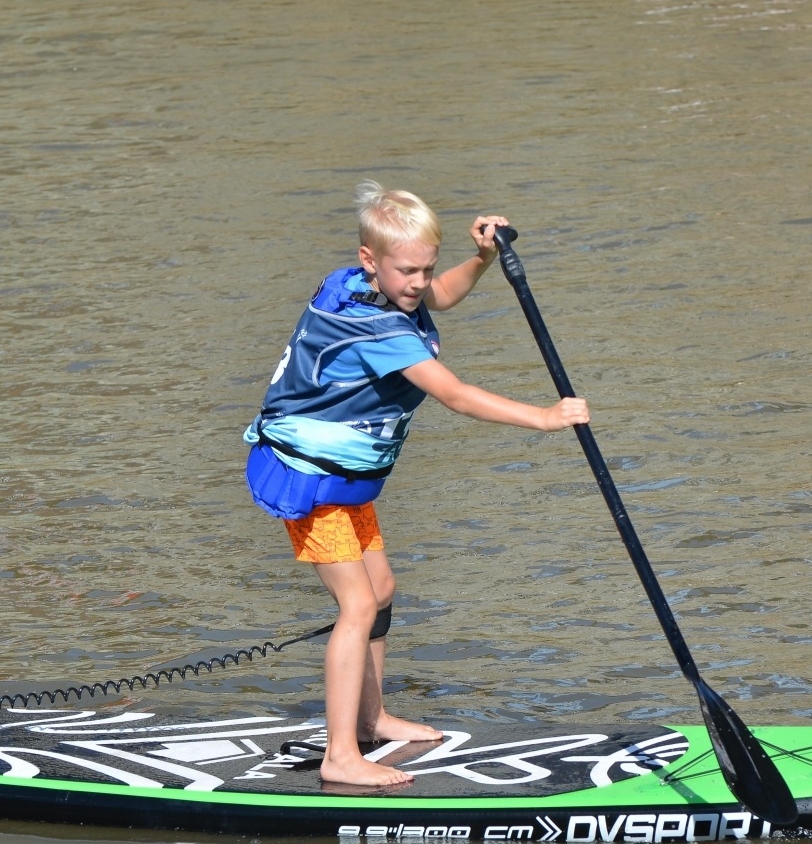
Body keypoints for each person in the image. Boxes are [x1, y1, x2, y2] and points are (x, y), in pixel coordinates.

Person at [244, 181, 589, 787]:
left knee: (380, 588)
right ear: (369, 260)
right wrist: (543, 416)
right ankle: (340, 755)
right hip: (305, 474)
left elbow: (443, 295)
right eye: (408, 271)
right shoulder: (373, 328)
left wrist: (481, 258)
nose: (419, 283)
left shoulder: (366, 285)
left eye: (426, 269)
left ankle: (372, 720)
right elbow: (454, 395)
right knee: (355, 604)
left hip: (346, 477)